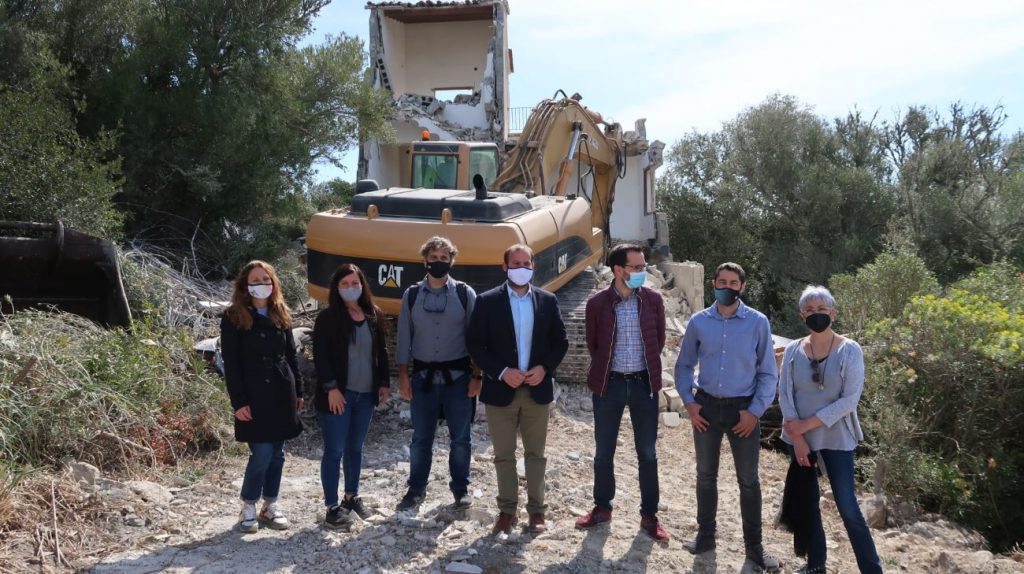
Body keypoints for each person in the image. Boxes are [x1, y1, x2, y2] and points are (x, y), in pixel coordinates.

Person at [674, 262, 781, 571]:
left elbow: (767, 373)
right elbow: (683, 366)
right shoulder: (698, 322)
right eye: (722, 281)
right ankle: (705, 537)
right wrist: (690, 403)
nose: (728, 287)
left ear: (742, 287)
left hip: (743, 412)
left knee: (749, 481)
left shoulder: (758, 323)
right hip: (705, 409)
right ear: (713, 283)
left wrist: (755, 412)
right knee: (705, 476)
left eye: (734, 282)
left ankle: (755, 550)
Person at [778, 286, 883, 574]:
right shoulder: (792, 350)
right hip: (800, 440)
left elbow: (849, 400)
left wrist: (806, 424)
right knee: (809, 503)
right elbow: (785, 395)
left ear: (833, 313)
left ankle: (872, 569)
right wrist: (797, 436)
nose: (816, 314)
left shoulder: (850, 350)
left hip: (837, 438)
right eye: (809, 310)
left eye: (821, 309)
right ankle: (816, 565)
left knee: (848, 506)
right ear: (802, 315)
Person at [466, 244, 568, 534]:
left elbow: (560, 342)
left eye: (527, 263)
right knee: (504, 455)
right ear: (505, 266)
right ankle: (507, 511)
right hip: (501, 390)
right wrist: (499, 371)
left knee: (536, 454)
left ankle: (537, 512)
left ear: (533, 266)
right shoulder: (487, 302)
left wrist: (544, 368)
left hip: (537, 390)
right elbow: (475, 343)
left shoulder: (547, 301)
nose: (522, 268)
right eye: (516, 263)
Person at [575, 244, 670, 541]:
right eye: (637, 268)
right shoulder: (597, 303)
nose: (643, 272)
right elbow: (594, 345)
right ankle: (602, 508)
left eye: (643, 267)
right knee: (604, 452)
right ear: (618, 270)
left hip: (644, 384)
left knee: (648, 453)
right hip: (609, 384)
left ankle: (649, 516)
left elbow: (660, 340)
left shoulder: (653, 300)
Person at [396, 236, 482, 510]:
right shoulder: (411, 295)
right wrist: (403, 375)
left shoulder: (464, 294)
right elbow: (403, 338)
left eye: (444, 258)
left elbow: (477, 338)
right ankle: (416, 489)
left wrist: (477, 376)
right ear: (425, 260)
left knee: (461, 438)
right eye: (433, 258)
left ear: (451, 261)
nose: (438, 263)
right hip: (422, 380)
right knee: (421, 438)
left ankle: (460, 489)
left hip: (458, 379)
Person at [220, 260, 304, 533]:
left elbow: (291, 355)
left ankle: (270, 504)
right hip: (253, 393)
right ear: (245, 285)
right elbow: (231, 363)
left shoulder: (281, 313)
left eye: (265, 280)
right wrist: (239, 401)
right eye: (255, 280)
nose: (261, 285)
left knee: (278, 453)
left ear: (273, 283)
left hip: (282, 390)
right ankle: (248, 504)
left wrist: (299, 391)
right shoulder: (233, 316)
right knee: (262, 451)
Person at [313, 264, 391, 530]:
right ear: (336, 288)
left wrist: (383, 383)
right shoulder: (327, 318)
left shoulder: (373, 315)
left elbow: (381, 352)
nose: (350, 288)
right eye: (344, 284)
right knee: (334, 450)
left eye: (354, 283)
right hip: (338, 396)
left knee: (355, 449)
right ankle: (332, 507)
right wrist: (331, 388)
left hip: (366, 395)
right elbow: (321, 358)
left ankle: (351, 497)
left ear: (362, 285)